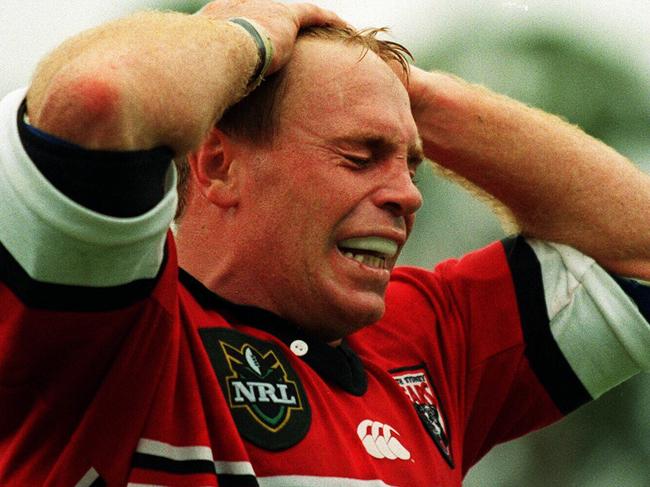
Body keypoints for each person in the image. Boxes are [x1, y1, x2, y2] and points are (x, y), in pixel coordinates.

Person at [0, 0, 648, 485]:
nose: (409, 194)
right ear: (219, 165)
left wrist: (405, 91)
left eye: (411, 164)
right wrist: (244, 36)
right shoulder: (102, 325)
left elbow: (636, 250)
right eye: (361, 154)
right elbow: (99, 95)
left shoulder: (425, 340)